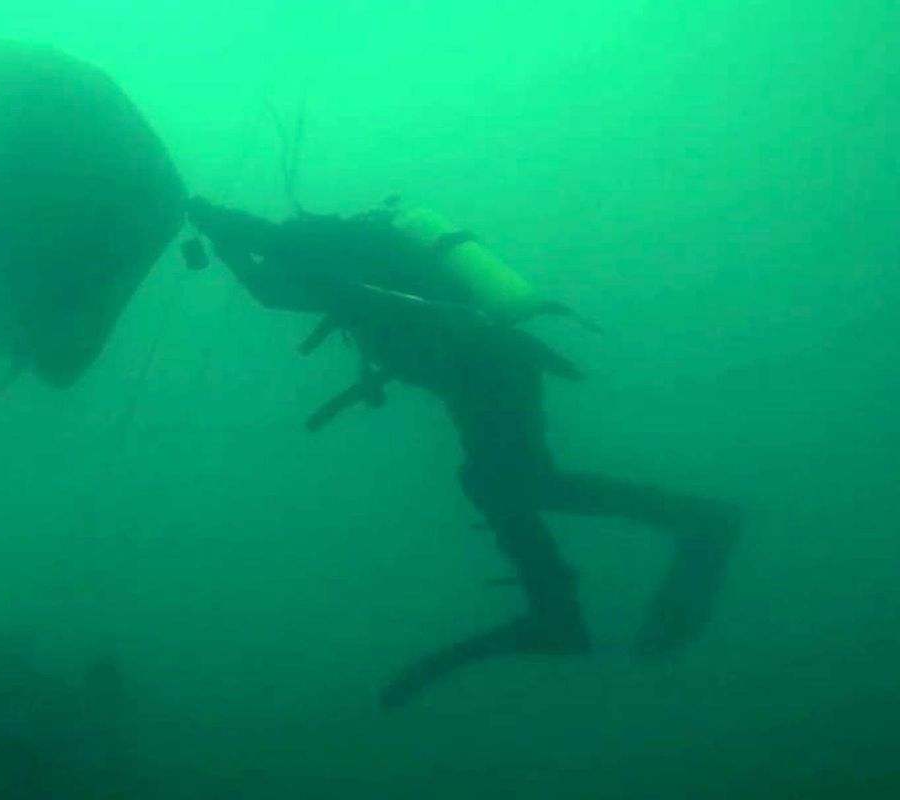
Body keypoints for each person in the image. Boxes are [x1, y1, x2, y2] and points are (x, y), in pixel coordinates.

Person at [186, 196, 741, 709]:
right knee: (502, 480)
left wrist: (217, 229)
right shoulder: (356, 255)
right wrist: (224, 231)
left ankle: (675, 535)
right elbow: (272, 272)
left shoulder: (333, 259)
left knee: (512, 481)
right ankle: (561, 607)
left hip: (482, 367)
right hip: (482, 366)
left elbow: (270, 279)